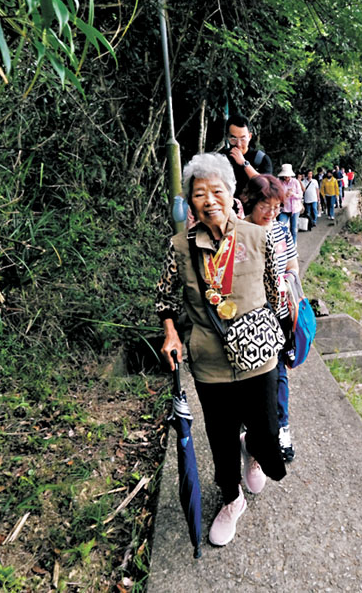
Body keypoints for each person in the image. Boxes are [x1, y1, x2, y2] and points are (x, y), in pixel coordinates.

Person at [156, 153, 286, 547]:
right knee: (220, 436)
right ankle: (232, 499)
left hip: (258, 356)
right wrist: (171, 333)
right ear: (190, 203)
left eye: (217, 190)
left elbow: (275, 291)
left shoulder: (258, 237)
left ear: (232, 194)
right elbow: (164, 298)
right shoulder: (181, 247)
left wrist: (283, 334)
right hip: (210, 361)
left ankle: (257, 452)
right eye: (199, 193)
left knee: (265, 430)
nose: (209, 199)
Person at [241, 174, 299, 462]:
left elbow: (291, 264)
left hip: (278, 315)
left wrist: (289, 282)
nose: (272, 213)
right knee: (249, 375)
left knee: (278, 372)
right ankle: (250, 428)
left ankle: (281, 427)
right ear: (250, 202)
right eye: (266, 205)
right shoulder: (237, 233)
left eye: (277, 207)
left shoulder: (282, 231)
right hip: (246, 317)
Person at [219, 114, 273, 196]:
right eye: (233, 138)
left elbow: (266, 185)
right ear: (227, 137)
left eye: (243, 138)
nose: (239, 144)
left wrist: (244, 163)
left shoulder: (261, 159)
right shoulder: (220, 158)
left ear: (249, 136)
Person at [276, 163, 303, 246]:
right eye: (285, 176)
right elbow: (277, 196)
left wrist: (292, 194)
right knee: (281, 227)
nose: (287, 178)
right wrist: (286, 195)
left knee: (293, 229)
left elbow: (300, 195)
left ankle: (293, 244)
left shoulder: (295, 182)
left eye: (288, 176)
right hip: (284, 209)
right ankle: (283, 245)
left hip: (295, 209)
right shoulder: (279, 182)